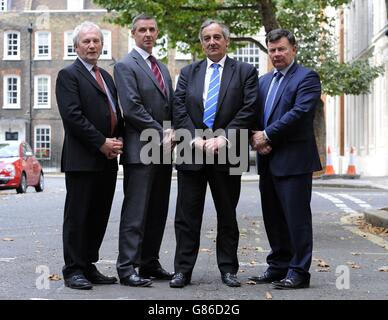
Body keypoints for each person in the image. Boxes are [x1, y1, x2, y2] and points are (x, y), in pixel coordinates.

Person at [170, 19, 258, 288]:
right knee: (186, 217)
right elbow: (179, 107)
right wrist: (194, 138)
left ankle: (228, 269)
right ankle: (182, 271)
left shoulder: (245, 71)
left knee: (227, 216)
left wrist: (224, 137)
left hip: (229, 152)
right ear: (201, 43)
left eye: (217, 37)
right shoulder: (188, 72)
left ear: (227, 41)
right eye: (207, 38)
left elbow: (249, 108)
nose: (212, 42)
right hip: (191, 152)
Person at [250, 29, 322, 289]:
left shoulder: (307, 77)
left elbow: (300, 113)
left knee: (296, 219)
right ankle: (278, 266)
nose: (277, 54)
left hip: (294, 161)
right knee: (273, 218)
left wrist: (267, 136)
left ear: (293, 49)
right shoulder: (264, 82)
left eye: (281, 49)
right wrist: (254, 138)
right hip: (267, 160)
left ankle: (299, 271)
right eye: (272, 50)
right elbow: (253, 115)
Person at [56, 21, 123, 290]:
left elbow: (115, 113)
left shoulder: (106, 77)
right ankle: (73, 269)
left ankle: (88, 264)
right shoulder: (68, 75)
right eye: (86, 41)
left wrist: (119, 140)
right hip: (83, 159)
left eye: (96, 41)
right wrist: (101, 143)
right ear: (76, 47)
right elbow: (73, 117)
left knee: (98, 215)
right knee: (78, 216)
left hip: (107, 159)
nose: (92, 45)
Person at [114, 14, 174, 287]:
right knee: (136, 212)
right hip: (141, 150)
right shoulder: (126, 65)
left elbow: (170, 107)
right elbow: (132, 107)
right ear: (133, 33)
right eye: (142, 30)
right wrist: (162, 132)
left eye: (152, 29)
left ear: (157, 32)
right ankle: (127, 268)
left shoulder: (162, 67)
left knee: (157, 210)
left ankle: (149, 263)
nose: (147, 34)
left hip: (163, 150)